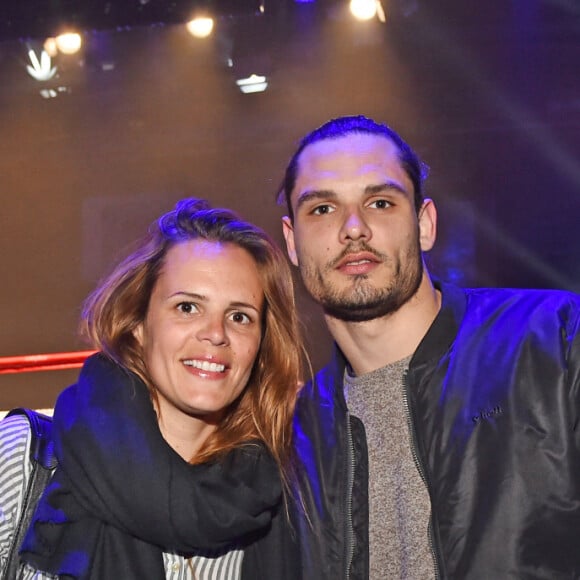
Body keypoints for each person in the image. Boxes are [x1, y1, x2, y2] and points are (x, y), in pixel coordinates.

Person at [279, 115, 580, 579]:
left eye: (380, 202)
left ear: (424, 225)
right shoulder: (296, 433)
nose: (353, 228)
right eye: (321, 209)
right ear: (291, 242)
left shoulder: (556, 341)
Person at [0, 197, 305, 579]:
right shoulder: (22, 459)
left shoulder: (282, 506)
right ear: (138, 325)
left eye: (239, 316)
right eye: (187, 307)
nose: (215, 334)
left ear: (260, 345)